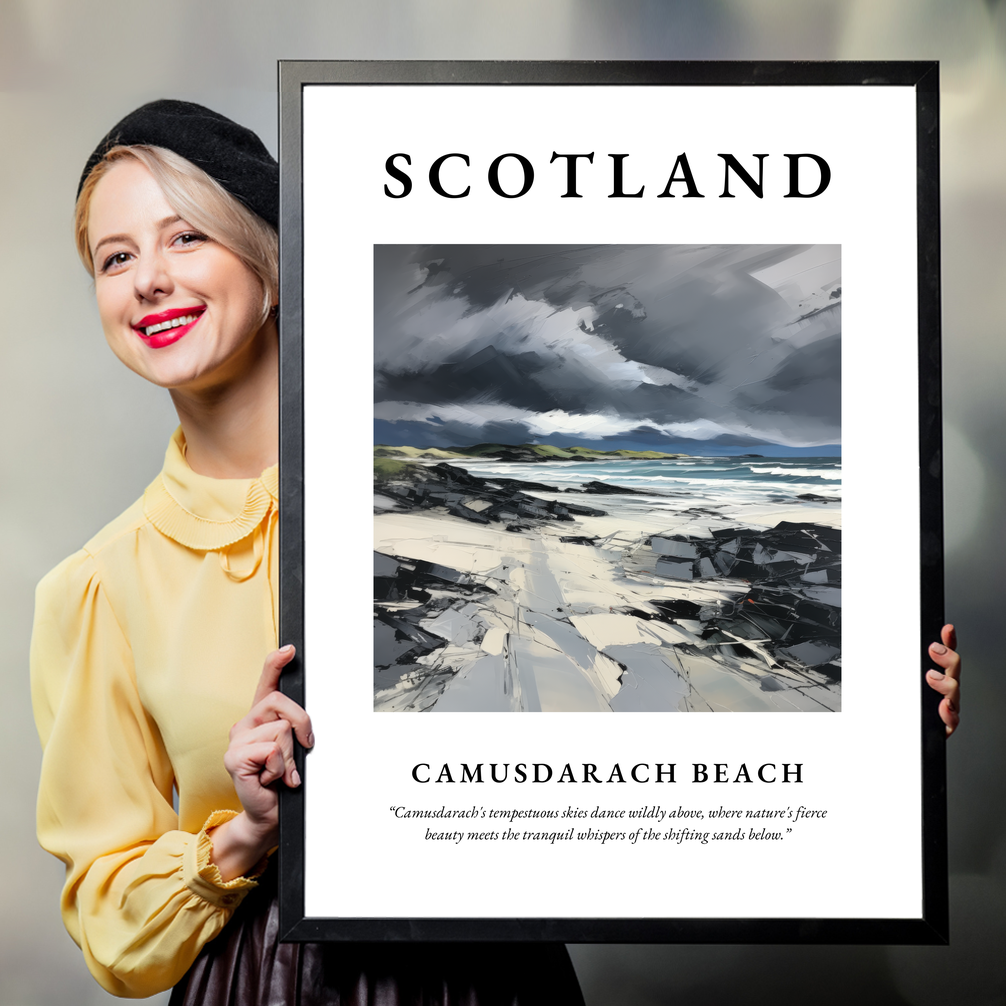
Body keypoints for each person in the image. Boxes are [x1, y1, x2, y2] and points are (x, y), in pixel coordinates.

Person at [30, 100, 585, 1004]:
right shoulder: (98, 586)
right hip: (263, 981)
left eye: (186, 239)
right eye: (116, 257)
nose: (148, 281)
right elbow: (110, 924)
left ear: (274, 265)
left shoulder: (448, 503)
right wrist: (245, 832)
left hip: (493, 973)